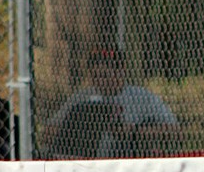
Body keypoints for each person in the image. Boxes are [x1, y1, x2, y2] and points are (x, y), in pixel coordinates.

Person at [44, 47, 178, 158]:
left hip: (127, 161)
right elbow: (49, 131)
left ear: (121, 72)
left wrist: (134, 131)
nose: (100, 82)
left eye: (105, 76)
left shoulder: (142, 97)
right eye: (95, 77)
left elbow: (174, 131)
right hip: (90, 162)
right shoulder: (83, 97)